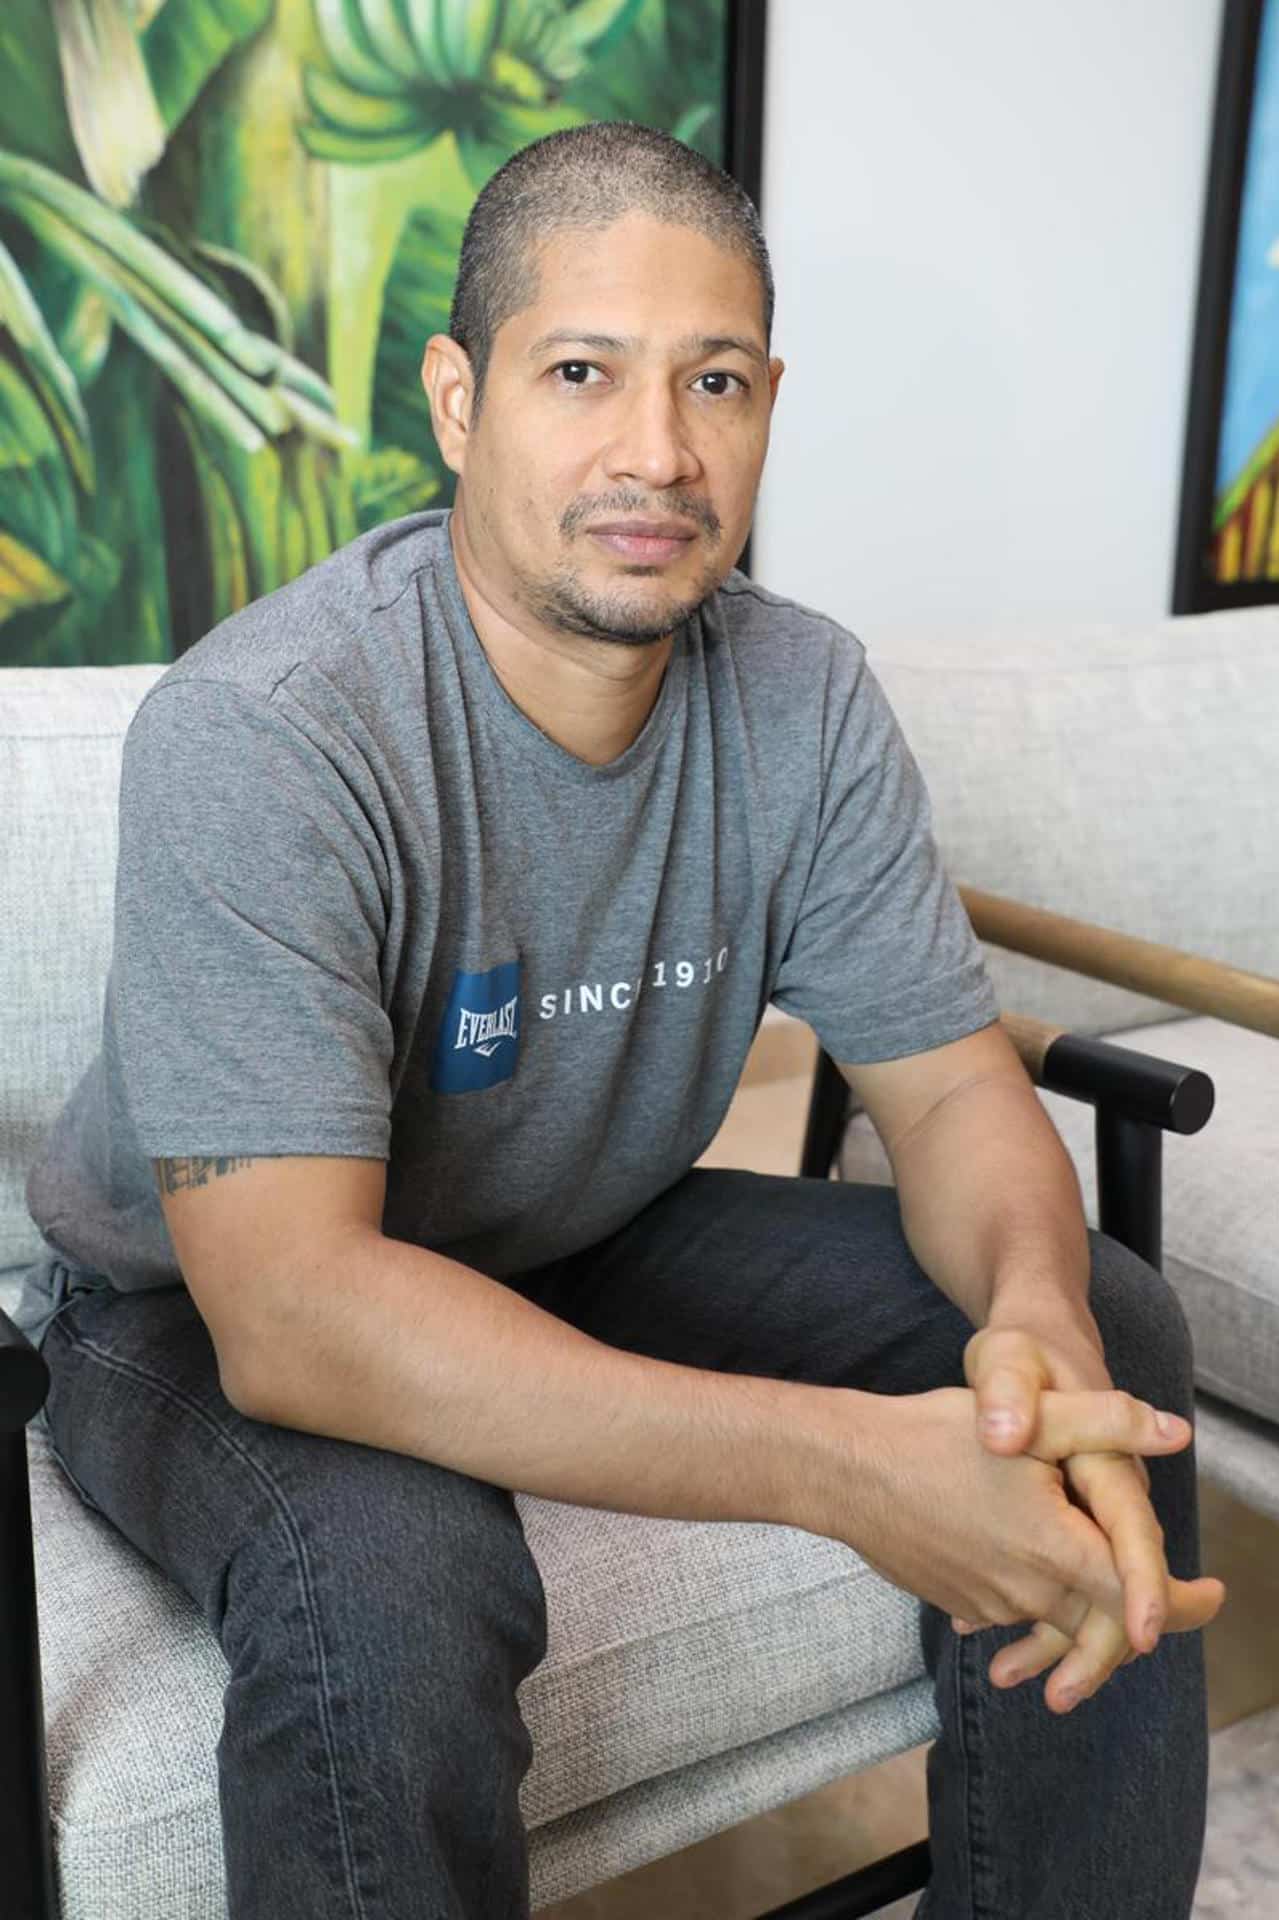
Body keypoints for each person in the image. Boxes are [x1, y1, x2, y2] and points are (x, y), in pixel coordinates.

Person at [17, 121, 1224, 1919]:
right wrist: (849, 1476)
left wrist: (1032, 1330)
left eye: (713, 382)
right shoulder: (275, 727)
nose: (655, 454)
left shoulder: (800, 694)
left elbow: (959, 1096)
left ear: (766, 403)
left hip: (578, 1229)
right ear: (457, 397)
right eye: (581, 371)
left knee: (1107, 1328)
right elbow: (294, 1316)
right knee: (400, 1578)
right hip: (193, 1308)